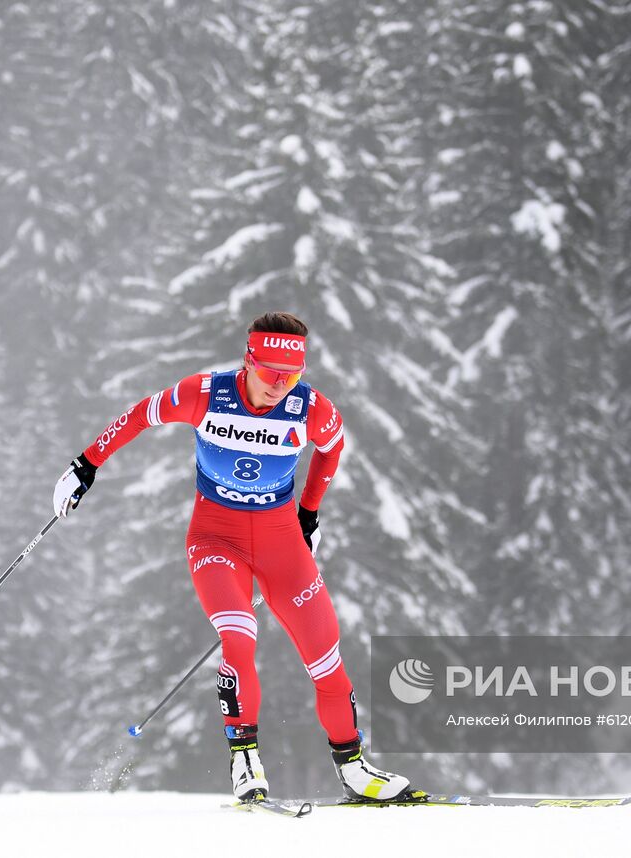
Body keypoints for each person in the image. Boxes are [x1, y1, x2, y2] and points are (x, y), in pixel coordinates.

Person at [52, 311, 417, 803]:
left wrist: (308, 516)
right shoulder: (204, 394)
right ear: (249, 362)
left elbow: (332, 450)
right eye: (270, 376)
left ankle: (354, 769)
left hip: (282, 543)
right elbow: (140, 414)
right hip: (215, 540)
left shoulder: (312, 409)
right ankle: (245, 761)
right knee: (238, 635)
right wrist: (85, 465)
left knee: (326, 657)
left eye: (291, 378)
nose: (279, 388)